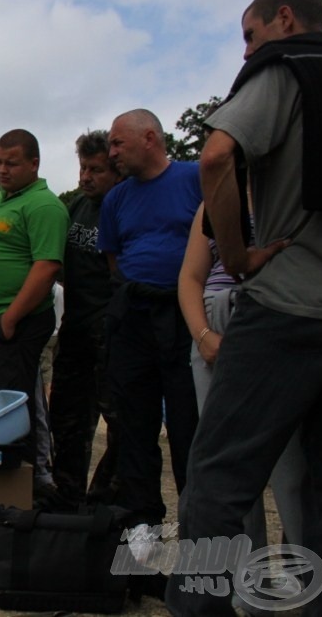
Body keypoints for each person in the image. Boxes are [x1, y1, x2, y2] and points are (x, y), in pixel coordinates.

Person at [167, 0, 322, 616]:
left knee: (217, 479)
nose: (246, 52)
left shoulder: (288, 67)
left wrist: (236, 259)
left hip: (286, 305)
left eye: (249, 34)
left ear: (284, 19)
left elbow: (215, 158)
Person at [97, 110, 201, 543]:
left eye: (119, 143)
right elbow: (114, 261)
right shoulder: (116, 200)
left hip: (185, 314)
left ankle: (198, 524)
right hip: (134, 315)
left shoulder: (195, 178)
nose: (112, 152)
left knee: (187, 424)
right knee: (135, 425)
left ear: (151, 138)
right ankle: (142, 527)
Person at [0, 129, 68, 499]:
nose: (2, 170)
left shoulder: (44, 205)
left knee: (10, 412)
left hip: (12, 324)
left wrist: (9, 320)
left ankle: (22, 493)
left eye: (12, 163)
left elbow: (46, 266)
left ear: (34, 163)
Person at [48, 130, 123, 508]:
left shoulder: (125, 205)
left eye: (95, 169)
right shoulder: (77, 206)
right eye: (82, 168)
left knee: (121, 425)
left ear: (116, 171)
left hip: (113, 333)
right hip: (75, 331)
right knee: (66, 421)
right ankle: (67, 498)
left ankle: (102, 500)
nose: (85, 177)